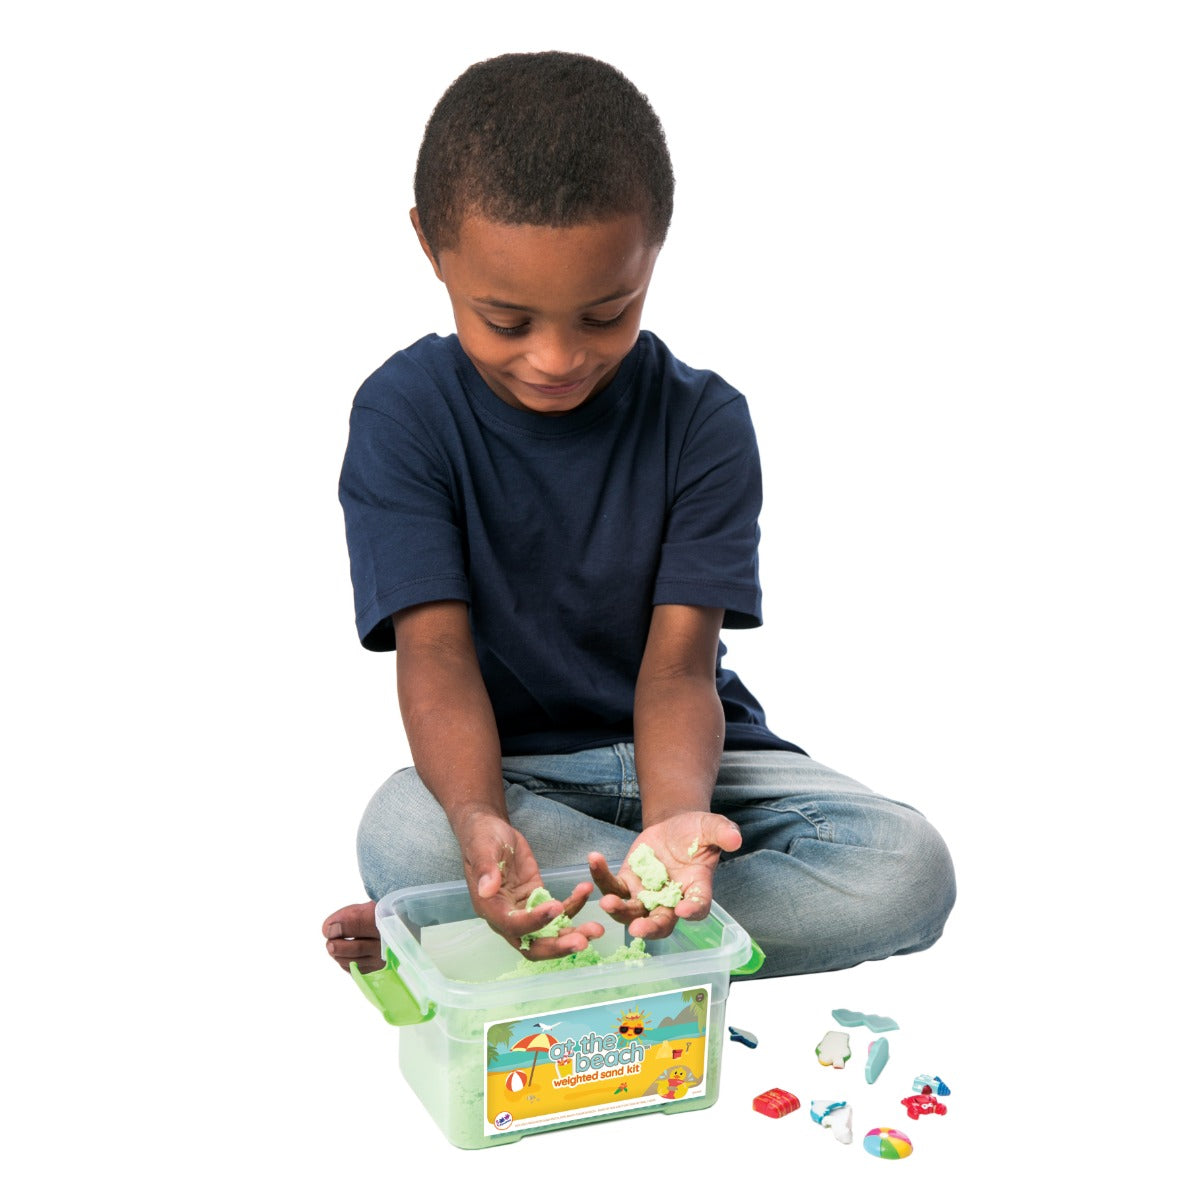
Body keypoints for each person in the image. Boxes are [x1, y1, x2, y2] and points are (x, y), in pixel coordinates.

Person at [322, 51, 955, 979]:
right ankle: (514, 900)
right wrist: (473, 825)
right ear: (430, 246)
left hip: (702, 759)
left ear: (652, 250)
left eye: (605, 313)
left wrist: (674, 827)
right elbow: (437, 657)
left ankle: (477, 927)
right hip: (519, 774)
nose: (555, 358)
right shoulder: (402, 413)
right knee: (409, 828)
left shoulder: (704, 421)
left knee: (909, 870)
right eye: (506, 321)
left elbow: (676, 670)